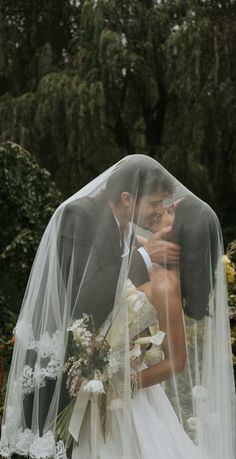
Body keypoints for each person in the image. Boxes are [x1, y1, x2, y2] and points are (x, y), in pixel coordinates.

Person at [0, 155, 235, 459]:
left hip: (106, 383)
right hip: (60, 371)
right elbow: (83, 298)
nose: (159, 211)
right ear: (127, 199)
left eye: (166, 206)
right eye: (154, 203)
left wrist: (123, 376)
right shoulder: (78, 214)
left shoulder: (123, 227)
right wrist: (145, 255)